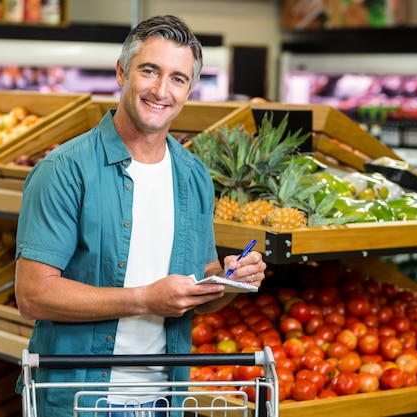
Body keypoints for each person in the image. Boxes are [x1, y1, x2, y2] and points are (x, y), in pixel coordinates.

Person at [14, 14, 266, 416]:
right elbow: (33, 294)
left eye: (178, 78)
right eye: (150, 71)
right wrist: (146, 299)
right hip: (79, 399)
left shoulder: (194, 176)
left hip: (165, 399)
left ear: (189, 89)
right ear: (121, 73)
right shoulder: (65, 169)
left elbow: (198, 293)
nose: (161, 90)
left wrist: (229, 280)